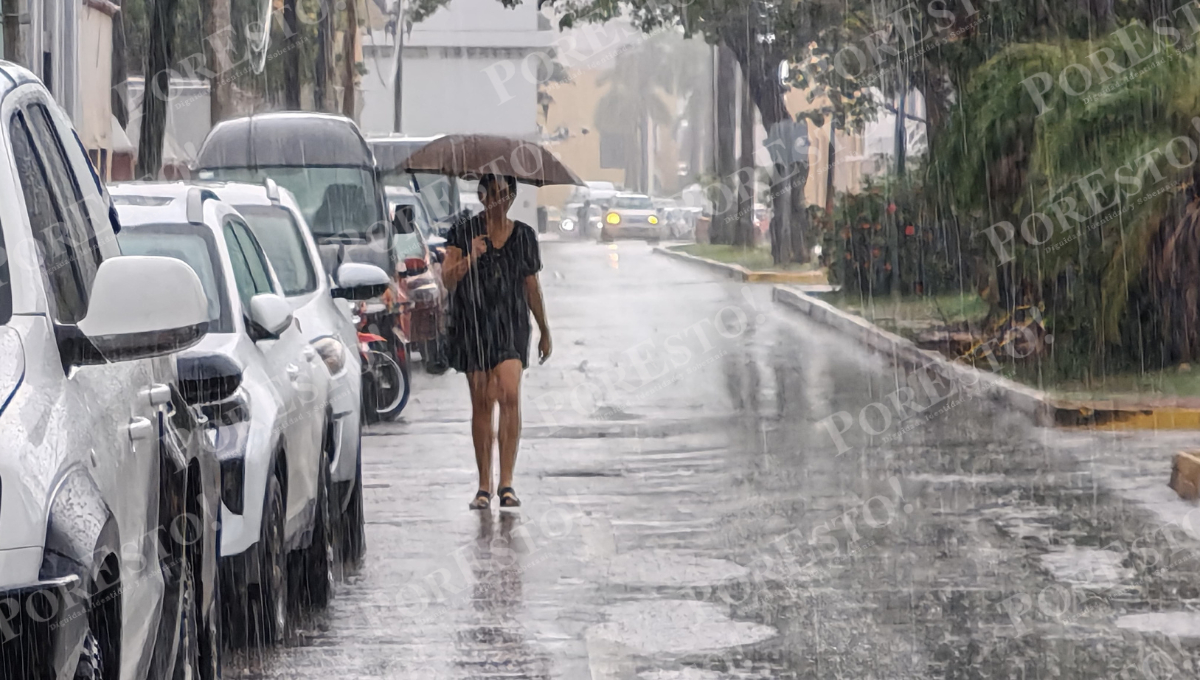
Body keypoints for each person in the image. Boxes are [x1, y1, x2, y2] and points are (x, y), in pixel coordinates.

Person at [442, 174, 552, 510]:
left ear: (512, 197)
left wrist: (544, 328)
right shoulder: (463, 232)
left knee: (509, 392)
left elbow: (531, 286)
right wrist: (469, 258)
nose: (498, 202)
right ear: (482, 195)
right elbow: (447, 280)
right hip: (474, 324)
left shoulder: (524, 236)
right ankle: (483, 485)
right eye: (492, 194)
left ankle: (506, 482)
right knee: (482, 402)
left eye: (505, 195)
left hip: (511, 325)